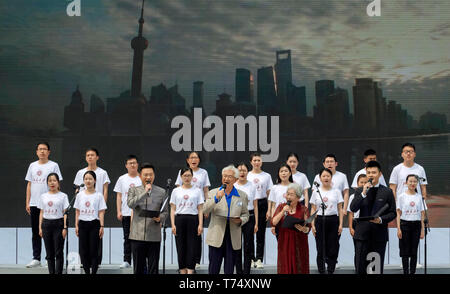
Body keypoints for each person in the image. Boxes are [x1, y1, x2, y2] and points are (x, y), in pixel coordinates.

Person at [350, 161, 396, 274]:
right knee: (360, 267)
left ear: (379, 174)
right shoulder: (360, 190)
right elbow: (353, 208)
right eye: (369, 172)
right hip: (362, 235)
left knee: (376, 269)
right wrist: (363, 193)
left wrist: (381, 220)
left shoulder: (387, 192)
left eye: (374, 172)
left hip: (379, 236)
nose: (371, 175)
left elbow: (392, 213)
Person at [204, 165, 249, 274]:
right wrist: (216, 198)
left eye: (229, 176)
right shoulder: (213, 193)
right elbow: (204, 210)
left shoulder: (242, 195)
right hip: (217, 234)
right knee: (214, 268)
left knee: (229, 269)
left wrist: (241, 220)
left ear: (235, 180)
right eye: (224, 176)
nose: (226, 179)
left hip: (233, 235)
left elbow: (246, 214)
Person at [25, 142, 63, 268]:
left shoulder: (53, 165)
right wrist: (28, 202)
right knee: (36, 231)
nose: (42, 151)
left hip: (49, 204)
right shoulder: (32, 165)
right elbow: (29, 184)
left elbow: (58, 183)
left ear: (49, 152)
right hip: (35, 203)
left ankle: (49, 258)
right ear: (36, 152)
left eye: (44, 149)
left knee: (49, 232)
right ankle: (36, 258)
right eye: (40, 149)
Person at [127, 163, 168, 274]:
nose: (148, 177)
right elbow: (130, 204)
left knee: (153, 269)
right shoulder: (133, 190)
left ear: (154, 175)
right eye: (145, 175)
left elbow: (165, 212)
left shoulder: (161, 192)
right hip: (137, 235)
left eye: (150, 174)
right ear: (140, 176)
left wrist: (160, 218)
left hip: (154, 236)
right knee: (138, 269)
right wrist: (145, 193)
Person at [73, 147, 110, 265]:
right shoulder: (80, 172)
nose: (90, 157)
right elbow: (77, 190)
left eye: (92, 155)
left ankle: (96, 262)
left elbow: (105, 190)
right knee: (84, 240)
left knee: (97, 236)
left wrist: (102, 206)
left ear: (97, 157)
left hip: (97, 208)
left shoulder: (102, 172)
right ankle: (85, 262)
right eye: (88, 155)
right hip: (84, 210)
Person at [175, 151, 210, 269]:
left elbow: (206, 190)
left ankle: (196, 260)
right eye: (191, 157)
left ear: (199, 160)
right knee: (183, 239)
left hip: (198, 208)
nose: (194, 160)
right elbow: (178, 189)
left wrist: (207, 206)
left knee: (196, 235)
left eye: (196, 157)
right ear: (187, 160)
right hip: (184, 209)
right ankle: (184, 263)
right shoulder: (182, 171)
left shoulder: (203, 172)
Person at [170, 167, 204, 274]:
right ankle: (182, 271)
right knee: (180, 247)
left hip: (193, 220)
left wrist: (200, 224)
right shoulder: (176, 191)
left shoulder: (197, 191)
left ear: (192, 177)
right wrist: (173, 224)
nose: (187, 178)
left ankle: (190, 271)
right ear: (181, 177)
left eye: (189, 175)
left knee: (192, 247)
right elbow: (173, 209)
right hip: (179, 220)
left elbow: (200, 208)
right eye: (185, 175)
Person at [310, 168, 344, 274]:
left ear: (331, 177)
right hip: (319, 220)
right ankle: (321, 270)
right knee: (320, 248)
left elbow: (340, 209)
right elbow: (313, 209)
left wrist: (341, 224)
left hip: (333, 220)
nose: (326, 178)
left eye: (328, 176)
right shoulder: (316, 192)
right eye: (323, 176)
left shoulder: (336, 191)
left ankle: (330, 270)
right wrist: (313, 225)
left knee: (332, 247)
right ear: (320, 178)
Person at [272, 183, 310, 274]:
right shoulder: (281, 207)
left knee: (299, 264)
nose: (288, 196)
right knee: (285, 265)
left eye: (291, 194)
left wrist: (304, 229)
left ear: (298, 197)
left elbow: (308, 227)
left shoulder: (303, 209)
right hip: (285, 240)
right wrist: (282, 212)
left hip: (299, 241)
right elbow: (273, 222)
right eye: (287, 194)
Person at [74, 171, 107, 274]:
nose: (88, 181)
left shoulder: (99, 195)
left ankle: (94, 271)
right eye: (86, 179)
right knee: (83, 250)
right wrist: (76, 225)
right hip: (83, 223)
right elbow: (77, 211)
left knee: (94, 250)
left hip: (94, 224)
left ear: (95, 180)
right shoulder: (79, 195)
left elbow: (101, 211)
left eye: (90, 179)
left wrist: (102, 225)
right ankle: (87, 271)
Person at [113, 155, 142, 269]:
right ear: (126, 166)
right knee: (127, 237)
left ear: (137, 164)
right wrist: (118, 210)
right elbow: (119, 196)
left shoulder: (141, 178)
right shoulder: (122, 179)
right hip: (125, 212)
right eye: (130, 163)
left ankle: (139, 260)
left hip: (139, 214)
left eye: (134, 163)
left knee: (140, 238)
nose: (132, 165)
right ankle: (127, 260)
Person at [38, 173, 69, 274]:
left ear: (58, 182)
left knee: (58, 252)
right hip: (46, 225)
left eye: (54, 180)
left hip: (58, 224)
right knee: (49, 253)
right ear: (47, 183)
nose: (52, 183)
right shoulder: (43, 196)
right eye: (50, 181)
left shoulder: (63, 196)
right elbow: (41, 212)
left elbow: (65, 213)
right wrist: (40, 227)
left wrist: (65, 227)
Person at [247, 152, 273, 269]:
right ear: (251, 162)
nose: (257, 162)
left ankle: (259, 259)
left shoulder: (266, 176)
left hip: (262, 203)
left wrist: (269, 209)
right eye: (255, 160)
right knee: (250, 232)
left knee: (261, 233)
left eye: (259, 160)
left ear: (261, 162)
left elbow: (269, 194)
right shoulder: (247, 175)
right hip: (250, 205)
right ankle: (251, 258)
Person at [396, 174, 426, 275]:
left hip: (416, 226)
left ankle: (412, 272)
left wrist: (422, 229)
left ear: (417, 183)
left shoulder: (419, 197)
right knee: (405, 251)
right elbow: (398, 213)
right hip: (404, 225)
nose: (413, 183)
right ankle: (405, 272)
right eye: (411, 181)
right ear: (406, 183)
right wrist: (398, 228)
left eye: (415, 182)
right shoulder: (401, 196)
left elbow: (422, 213)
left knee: (414, 251)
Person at [233, 162, 258, 274]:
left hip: (249, 217)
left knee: (248, 246)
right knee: (237, 246)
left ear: (248, 172)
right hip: (236, 218)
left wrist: (256, 223)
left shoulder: (252, 185)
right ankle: (238, 271)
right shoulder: (233, 185)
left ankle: (247, 271)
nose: (242, 172)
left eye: (244, 170)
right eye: (239, 170)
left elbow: (255, 204)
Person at [347, 174, 368, 271]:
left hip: (367, 223)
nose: (363, 184)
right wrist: (351, 227)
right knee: (358, 249)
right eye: (361, 182)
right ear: (357, 183)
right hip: (356, 223)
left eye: (365, 182)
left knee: (367, 249)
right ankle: (358, 269)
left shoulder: (370, 195)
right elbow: (351, 213)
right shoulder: (353, 196)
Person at [268, 164, 293, 238]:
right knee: (281, 245)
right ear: (278, 174)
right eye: (281, 171)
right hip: (279, 220)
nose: (284, 173)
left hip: (292, 220)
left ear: (290, 173)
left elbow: (299, 205)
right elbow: (273, 207)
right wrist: (273, 224)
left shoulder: (295, 186)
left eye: (286, 171)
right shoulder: (274, 188)